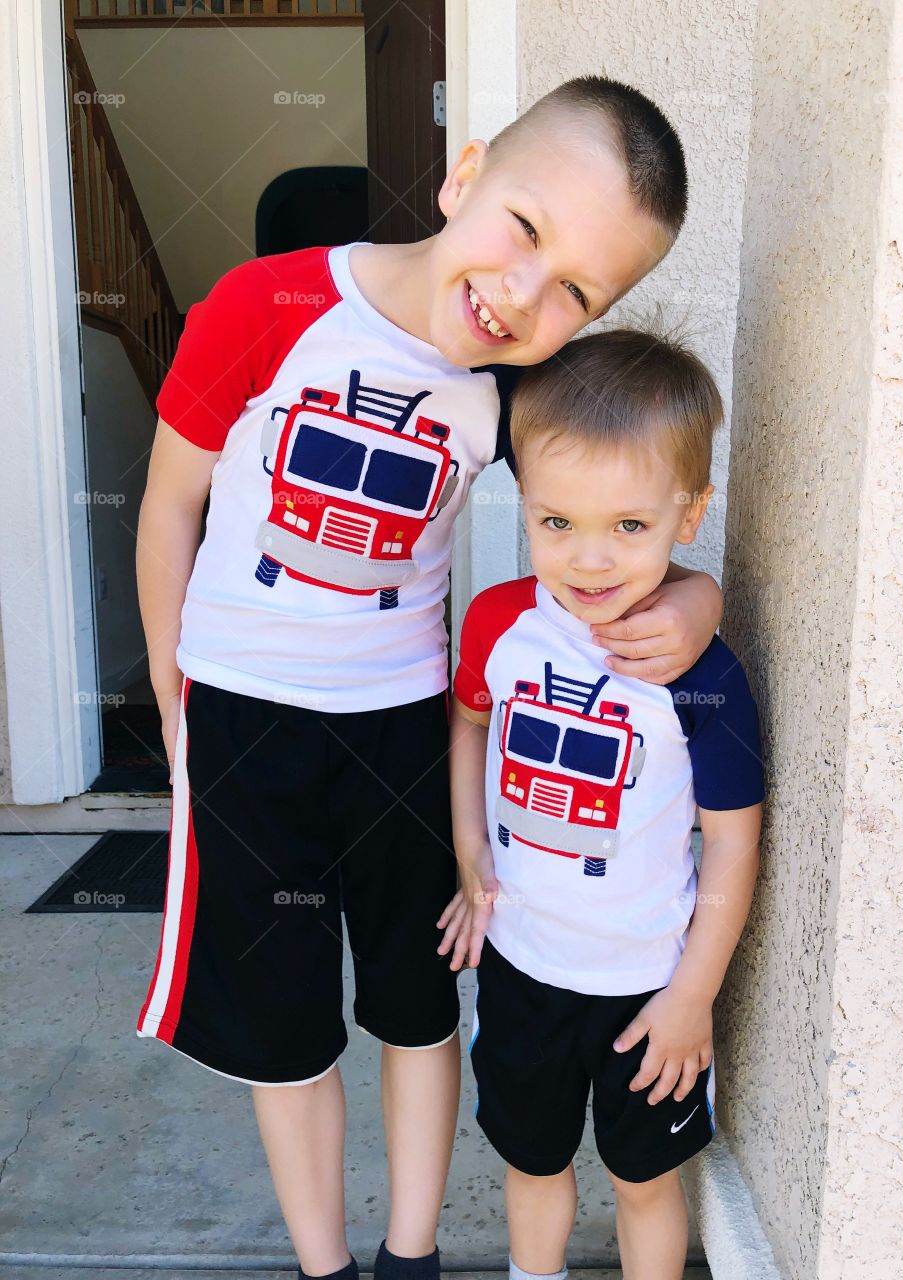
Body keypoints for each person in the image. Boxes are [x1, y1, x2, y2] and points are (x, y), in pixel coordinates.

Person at [135, 77, 722, 1280]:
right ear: (464, 178)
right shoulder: (269, 304)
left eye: (578, 292)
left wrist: (698, 595)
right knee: (283, 1020)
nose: (524, 293)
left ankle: (411, 1256)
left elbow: (622, 480)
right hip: (243, 716)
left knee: (416, 1002)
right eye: (523, 229)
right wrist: (168, 697)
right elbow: (169, 502)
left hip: (404, 728)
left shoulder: (520, 384)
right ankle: (324, 1264)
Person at [439, 329, 765, 1280]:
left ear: (688, 514)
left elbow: (735, 847)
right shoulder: (502, 620)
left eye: (629, 526)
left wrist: (692, 994)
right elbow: (466, 724)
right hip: (523, 968)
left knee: (642, 1183)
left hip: (648, 990)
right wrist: (470, 853)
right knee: (531, 1162)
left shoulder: (701, 672)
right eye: (556, 523)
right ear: (525, 506)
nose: (588, 560)